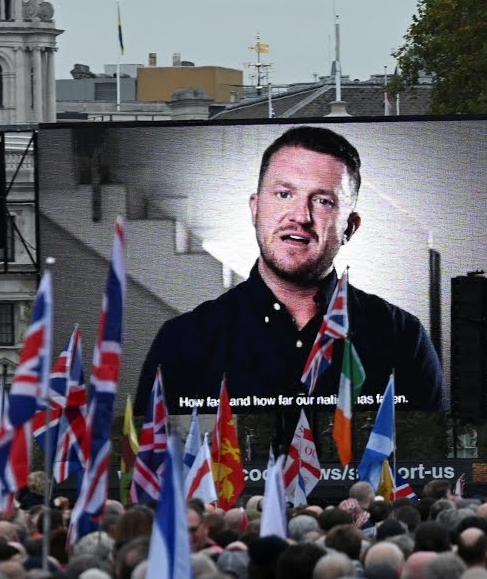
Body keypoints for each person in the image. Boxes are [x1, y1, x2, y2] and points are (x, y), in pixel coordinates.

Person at [136, 126, 445, 415]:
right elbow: (150, 467)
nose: (300, 216)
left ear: (349, 227)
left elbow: (434, 463)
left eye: (323, 201)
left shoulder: (403, 339)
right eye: (284, 194)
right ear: (255, 209)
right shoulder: (183, 341)